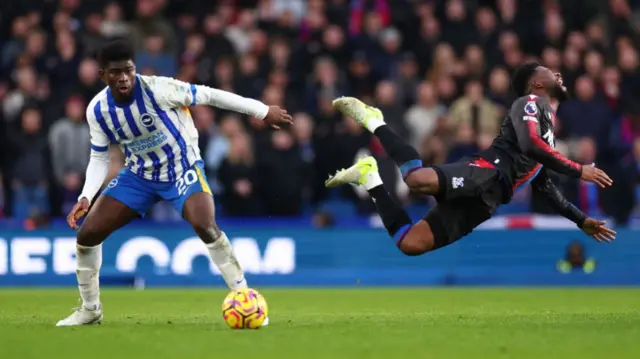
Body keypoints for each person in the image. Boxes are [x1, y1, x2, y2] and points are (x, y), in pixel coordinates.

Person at [57, 39, 292, 326]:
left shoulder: (159, 88)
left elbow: (210, 96)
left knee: (205, 224)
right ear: (102, 75)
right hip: (139, 176)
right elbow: (99, 157)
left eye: (128, 70)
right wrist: (86, 196)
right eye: (116, 72)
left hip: (182, 168)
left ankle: (244, 297)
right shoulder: (97, 110)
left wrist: (261, 110)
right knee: (87, 236)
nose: (124, 78)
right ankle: (90, 310)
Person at [325, 62, 617, 257]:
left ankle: (370, 178)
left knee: (410, 244)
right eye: (550, 72)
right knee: (416, 180)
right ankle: (375, 121)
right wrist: (579, 170)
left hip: (486, 201)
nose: (558, 75)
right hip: (486, 171)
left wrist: (580, 220)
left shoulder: (549, 130)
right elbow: (530, 143)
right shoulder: (530, 104)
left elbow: (543, 184)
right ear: (536, 85)